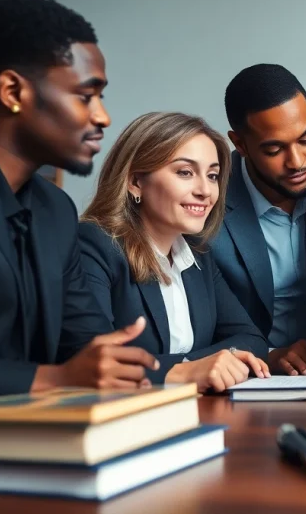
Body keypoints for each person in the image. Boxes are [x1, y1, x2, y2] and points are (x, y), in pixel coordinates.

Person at [0, 0, 156, 417]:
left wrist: (117, 365)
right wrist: (56, 380)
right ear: (12, 91)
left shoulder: (55, 211)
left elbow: (85, 348)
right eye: (85, 96)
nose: (103, 117)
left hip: (24, 443)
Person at [80, 112, 271, 392]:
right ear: (135, 182)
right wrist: (186, 370)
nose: (206, 191)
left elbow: (251, 339)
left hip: (189, 414)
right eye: (185, 172)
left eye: (213, 175)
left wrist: (194, 366)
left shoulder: (198, 256)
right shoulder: (95, 245)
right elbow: (92, 363)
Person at [211, 64, 306, 377]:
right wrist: (268, 355)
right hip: (259, 380)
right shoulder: (207, 203)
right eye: (275, 149)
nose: (297, 161)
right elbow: (200, 324)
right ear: (240, 144)